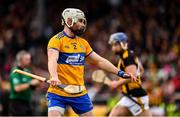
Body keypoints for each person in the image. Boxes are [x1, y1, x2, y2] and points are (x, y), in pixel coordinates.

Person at [47, 8, 136, 116]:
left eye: (83, 22)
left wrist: (120, 73)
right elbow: (52, 60)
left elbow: (99, 61)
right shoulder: (56, 40)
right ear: (69, 21)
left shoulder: (83, 43)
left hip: (79, 93)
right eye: (79, 21)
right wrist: (54, 76)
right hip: (58, 92)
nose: (82, 25)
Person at [107, 32, 152, 116]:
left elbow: (132, 75)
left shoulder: (127, 57)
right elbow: (141, 70)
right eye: (112, 45)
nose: (113, 48)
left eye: (115, 45)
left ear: (123, 43)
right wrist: (124, 85)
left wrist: (117, 83)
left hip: (137, 97)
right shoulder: (129, 54)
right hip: (130, 96)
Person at [9, 50, 39, 116]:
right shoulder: (16, 71)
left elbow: (32, 88)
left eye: (29, 59)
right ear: (20, 60)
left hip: (27, 102)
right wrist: (31, 83)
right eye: (27, 59)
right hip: (17, 103)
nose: (29, 61)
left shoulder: (28, 71)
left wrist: (37, 83)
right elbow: (17, 88)